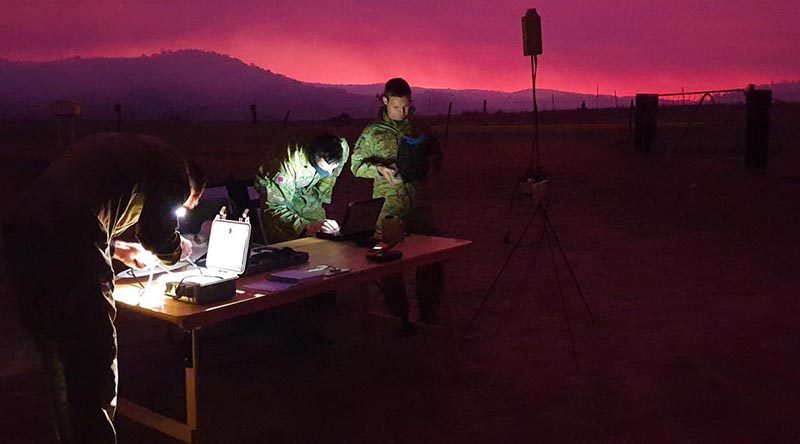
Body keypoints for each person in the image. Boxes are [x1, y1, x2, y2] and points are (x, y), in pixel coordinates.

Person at [0, 133, 205, 444]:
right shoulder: (175, 172)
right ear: (193, 192)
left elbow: (91, 204)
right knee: (93, 362)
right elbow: (155, 232)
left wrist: (121, 250)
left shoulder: (143, 156)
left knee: (60, 361)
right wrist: (177, 251)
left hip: (22, 238)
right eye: (184, 207)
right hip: (67, 248)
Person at [351, 78, 444, 330]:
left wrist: (431, 166)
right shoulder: (372, 133)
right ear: (385, 101)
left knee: (430, 260)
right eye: (397, 107)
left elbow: (437, 156)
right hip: (390, 211)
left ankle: (429, 317)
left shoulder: (419, 127)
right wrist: (379, 169)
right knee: (391, 265)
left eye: (406, 107)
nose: (402, 112)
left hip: (419, 206)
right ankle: (399, 319)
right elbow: (355, 166)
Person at [254, 132, 349, 243]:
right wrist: (307, 228)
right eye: (323, 169)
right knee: (287, 236)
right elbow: (275, 209)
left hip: (308, 187)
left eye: (333, 168)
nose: (329, 172)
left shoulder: (341, 147)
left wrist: (321, 197)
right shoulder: (287, 165)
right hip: (278, 189)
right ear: (313, 156)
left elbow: (331, 176)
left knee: (321, 235)